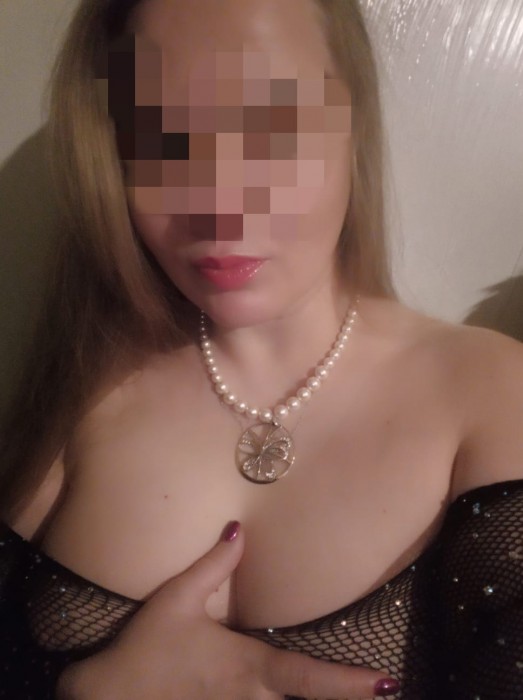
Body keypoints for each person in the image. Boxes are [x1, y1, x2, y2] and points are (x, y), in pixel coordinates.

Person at [0, 0, 522, 698]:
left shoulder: (492, 396)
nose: (219, 207)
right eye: (159, 135)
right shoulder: (74, 397)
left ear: (354, 127)